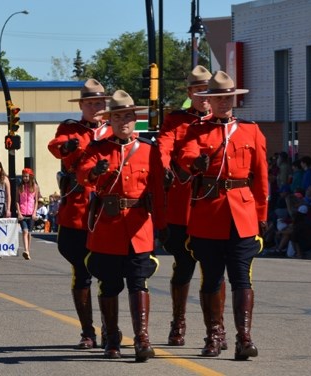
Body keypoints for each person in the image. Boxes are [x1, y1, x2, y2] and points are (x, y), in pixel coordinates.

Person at [177, 71, 268, 360]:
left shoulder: (250, 130)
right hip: (209, 211)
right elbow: (185, 155)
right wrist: (196, 162)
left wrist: (261, 214)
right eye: (217, 98)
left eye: (228, 97)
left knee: (242, 278)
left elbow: (262, 177)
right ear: (208, 101)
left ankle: (244, 337)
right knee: (212, 279)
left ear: (234, 99)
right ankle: (214, 336)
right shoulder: (198, 130)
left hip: (242, 213)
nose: (223, 102)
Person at [76, 90, 166, 362]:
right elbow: (82, 176)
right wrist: (96, 171)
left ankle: (142, 339)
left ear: (135, 119)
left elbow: (159, 192)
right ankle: (112, 338)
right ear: (110, 120)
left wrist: (162, 225)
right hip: (109, 226)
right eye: (118, 117)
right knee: (110, 285)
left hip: (139, 226)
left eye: (128, 116)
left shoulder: (149, 150)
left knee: (139, 282)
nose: (124, 121)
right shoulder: (98, 149)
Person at [157, 65, 229, 349]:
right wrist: (163, 166)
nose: (203, 96)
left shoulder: (222, 122)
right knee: (184, 266)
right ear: (189, 93)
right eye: (197, 91)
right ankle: (178, 322)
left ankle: (218, 327)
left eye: (207, 91)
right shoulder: (176, 120)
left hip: (214, 207)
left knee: (215, 270)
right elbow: (163, 147)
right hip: (183, 204)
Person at [47, 78, 113, 350]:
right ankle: (88, 332)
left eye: (100, 102)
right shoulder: (71, 129)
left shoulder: (113, 130)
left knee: (110, 275)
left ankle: (111, 330)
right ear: (82, 106)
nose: (96, 107)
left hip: (107, 213)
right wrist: (68, 147)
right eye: (91, 103)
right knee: (82, 273)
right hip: (78, 210)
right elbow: (55, 146)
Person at [16, 168, 39, 260]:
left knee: (29, 233)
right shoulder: (19, 186)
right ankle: (25, 250)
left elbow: (36, 201)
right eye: (23, 176)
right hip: (22, 213)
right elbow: (17, 201)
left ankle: (27, 251)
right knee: (25, 231)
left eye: (26, 176)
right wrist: (19, 213)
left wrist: (34, 213)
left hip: (31, 213)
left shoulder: (35, 186)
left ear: (30, 176)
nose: (25, 178)